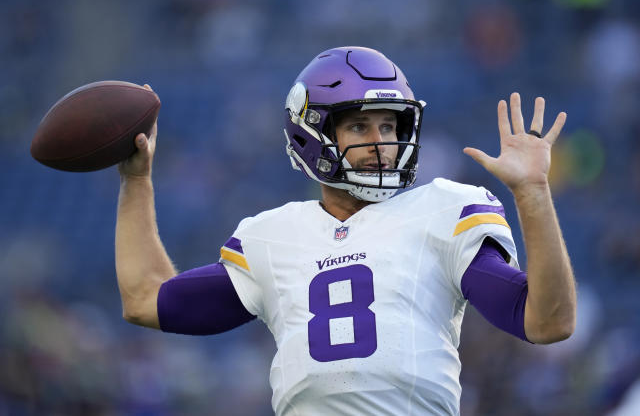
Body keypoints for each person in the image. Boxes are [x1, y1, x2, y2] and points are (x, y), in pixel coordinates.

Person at [115, 47, 576, 415]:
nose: (382, 144)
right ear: (311, 135)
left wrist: (532, 193)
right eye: (359, 126)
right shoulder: (271, 237)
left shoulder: (443, 209)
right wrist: (136, 181)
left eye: (389, 125)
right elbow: (145, 299)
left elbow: (548, 321)